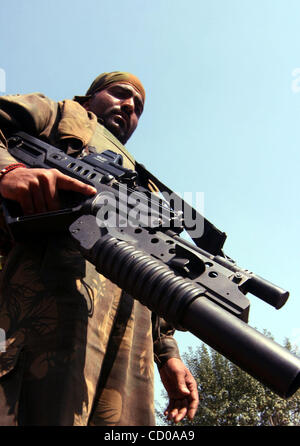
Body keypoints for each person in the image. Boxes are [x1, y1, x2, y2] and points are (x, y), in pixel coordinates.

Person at [0, 72, 199, 426]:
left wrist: (167, 353)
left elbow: (157, 270)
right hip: (48, 302)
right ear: (90, 96)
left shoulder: (145, 182)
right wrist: (8, 171)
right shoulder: (59, 113)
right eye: (121, 94)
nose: (129, 106)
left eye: (138, 107)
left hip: (129, 340)